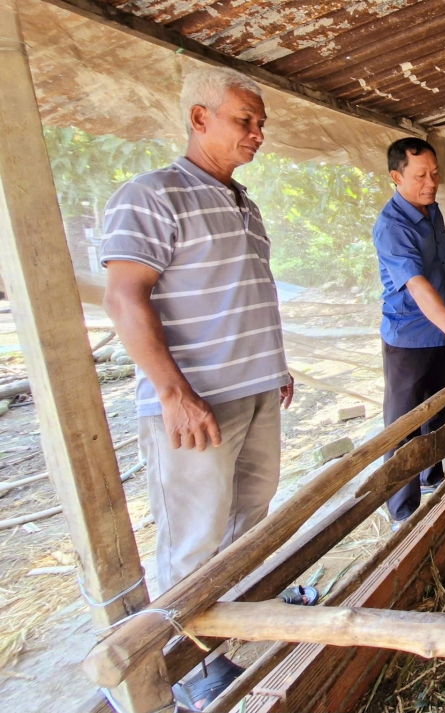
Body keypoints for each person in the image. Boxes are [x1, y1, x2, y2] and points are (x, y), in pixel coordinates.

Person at [100, 66, 293, 711]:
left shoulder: (245, 205)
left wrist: (275, 365)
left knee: (247, 517)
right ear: (199, 118)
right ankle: (187, 665)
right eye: (245, 120)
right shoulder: (153, 195)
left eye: (260, 123)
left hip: (255, 389)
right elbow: (125, 298)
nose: (257, 133)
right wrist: (172, 394)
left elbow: (243, 293)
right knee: (194, 535)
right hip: (197, 403)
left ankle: (230, 627)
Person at [373, 138, 445, 526]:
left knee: (439, 408)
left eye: (435, 174)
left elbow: (437, 267)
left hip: (439, 328)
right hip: (408, 336)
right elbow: (417, 284)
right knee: (403, 425)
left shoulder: (432, 210)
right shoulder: (392, 226)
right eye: (420, 175)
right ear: (396, 176)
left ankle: (430, 477)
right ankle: (401, 512)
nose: (431, 182)